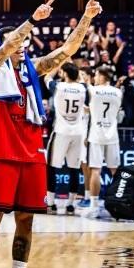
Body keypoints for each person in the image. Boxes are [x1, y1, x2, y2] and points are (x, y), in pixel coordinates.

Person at [0, 0, 102, 268]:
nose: (22, 44)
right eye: (16, 41)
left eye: (24, 41)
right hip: (2, 155)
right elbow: (9, 45)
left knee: (26, 222)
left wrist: (86, 18)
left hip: (32, 156)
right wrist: (30, 21)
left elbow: (67, 50)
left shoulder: (33, 70)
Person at [46, 63, 88, 215]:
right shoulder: (83, 88)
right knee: (74, 169)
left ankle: (51, 204)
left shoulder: (59, 87)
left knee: (51, 167)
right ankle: (70, 205)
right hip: (77, 132)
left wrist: (57, 64)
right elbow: (83, 80)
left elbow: (47, 77)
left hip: (61, 131)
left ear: (64, 73)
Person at [84, 67, 123, 218]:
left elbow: (91, 107)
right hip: (112, 135)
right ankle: (118, 204)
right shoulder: (118, 92)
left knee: (95, 170)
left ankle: (94, 207)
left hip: (96, 135)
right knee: (115, 171)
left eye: (96, 75)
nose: (94, 77)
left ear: (102, 76)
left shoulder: (93, 90)